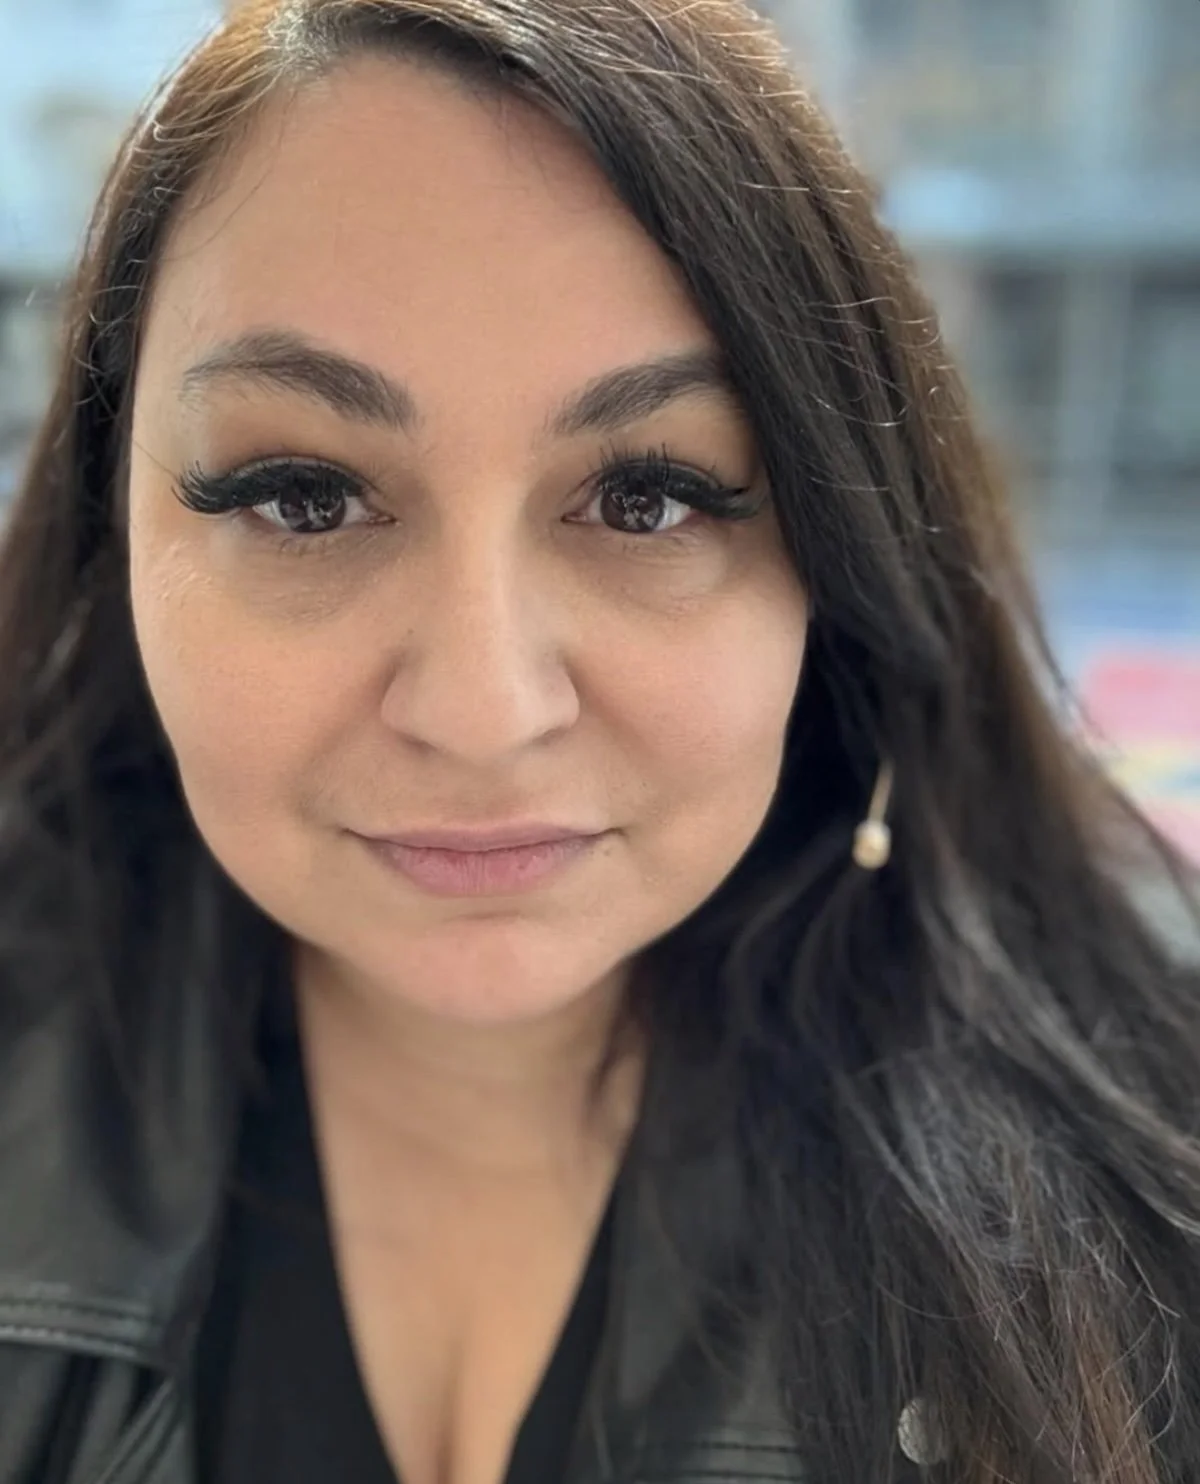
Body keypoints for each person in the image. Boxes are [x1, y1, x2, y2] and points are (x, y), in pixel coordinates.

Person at [0, 0, 1198, 1480]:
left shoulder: (1162, 1181)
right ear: (113, 527)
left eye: (648, 498)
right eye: (304, 496)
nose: (483, 712)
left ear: (837, 563)